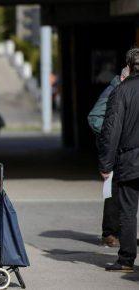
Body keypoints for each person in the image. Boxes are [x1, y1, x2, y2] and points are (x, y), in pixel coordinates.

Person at [98, 47, 139, 273]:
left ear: (129, 66)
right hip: (131, 158)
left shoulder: (121, 91)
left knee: (128, 211)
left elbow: (111, 131)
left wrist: (106, 165)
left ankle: (126, 260)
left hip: (130, 160)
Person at [88, 66, 130, 247]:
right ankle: (110, 232)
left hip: (128, 149)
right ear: (124, 77)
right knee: (113, 191)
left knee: (126, 191)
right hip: (114, 149)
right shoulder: (113, 90)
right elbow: (94, 117)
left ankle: (124, 232)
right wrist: (111, 134)